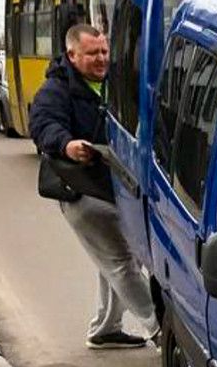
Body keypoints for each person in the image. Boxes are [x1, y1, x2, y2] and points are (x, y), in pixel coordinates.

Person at [29, 24, 154, 349]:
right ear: (72, 55)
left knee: (118, 261)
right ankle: (161, 330)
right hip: (80, 190)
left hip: (116, 187)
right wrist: (67, 145)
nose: (101, 59)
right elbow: (43, 125)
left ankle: (106, 329)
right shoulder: (55, 91)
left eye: (104, 51)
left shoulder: (115, 82)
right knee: (121, 261)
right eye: (92, 53)